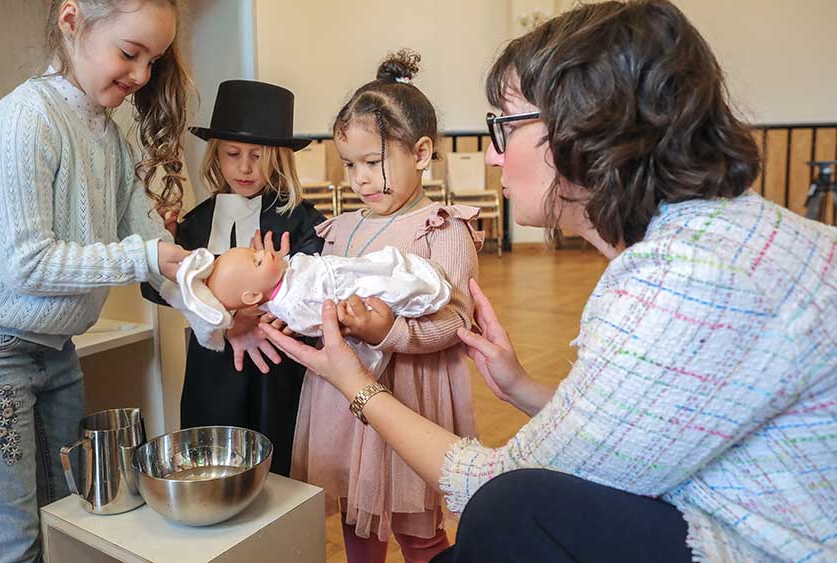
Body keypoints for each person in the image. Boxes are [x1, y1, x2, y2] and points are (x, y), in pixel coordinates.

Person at [262, 2, 837, 562]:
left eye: (504, 127)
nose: (490, 157)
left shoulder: (686, 280)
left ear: (585, 130)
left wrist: (355, 384)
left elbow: (497, 484)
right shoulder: (711, 242)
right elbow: (642, 429)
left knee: (511, 509)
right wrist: (521, 389)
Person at [0, 1, 191, 561]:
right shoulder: (24, 119)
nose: (141, 76)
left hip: (54, 351)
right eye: (129, 53)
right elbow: (28, 265)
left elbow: (156, 251)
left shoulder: (110, 137)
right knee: (7, 542)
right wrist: (147, 257)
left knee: (68, 517)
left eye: (152, 61)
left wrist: (216, 312)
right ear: (72, 21)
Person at [249, 49, 483, 563]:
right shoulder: (342, 227)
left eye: (373, 163)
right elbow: (322, 296)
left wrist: (389, 330)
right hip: (341, 401)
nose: (360, 179)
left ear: (420, 154)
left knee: (417, 529)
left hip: (409, 397)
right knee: (359, 520)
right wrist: (290, 312)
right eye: (350, 165)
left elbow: (458, 320)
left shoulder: (442, 227)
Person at [141, 79, 326, 477]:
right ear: (216, 156)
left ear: (278, 157)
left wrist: (263, 315)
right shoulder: (196, 223)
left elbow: (317, 288)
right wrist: (166, 243)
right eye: (232, 154)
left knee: (279, 469)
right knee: (213, 464)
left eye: (257, 155)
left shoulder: (301, 219)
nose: (245, 167)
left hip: (277, 370)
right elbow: (154, 287)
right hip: (212, 370)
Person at [160, 244, 451, 374]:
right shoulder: (290, 305)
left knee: (387, 264)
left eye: (255, 252)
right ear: (251, 296)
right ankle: (423, 289)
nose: (264, 252)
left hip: (349, 271)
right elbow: (321, 320)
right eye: (257, 261)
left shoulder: (283, 274)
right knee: (391, 286)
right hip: (354, 292)